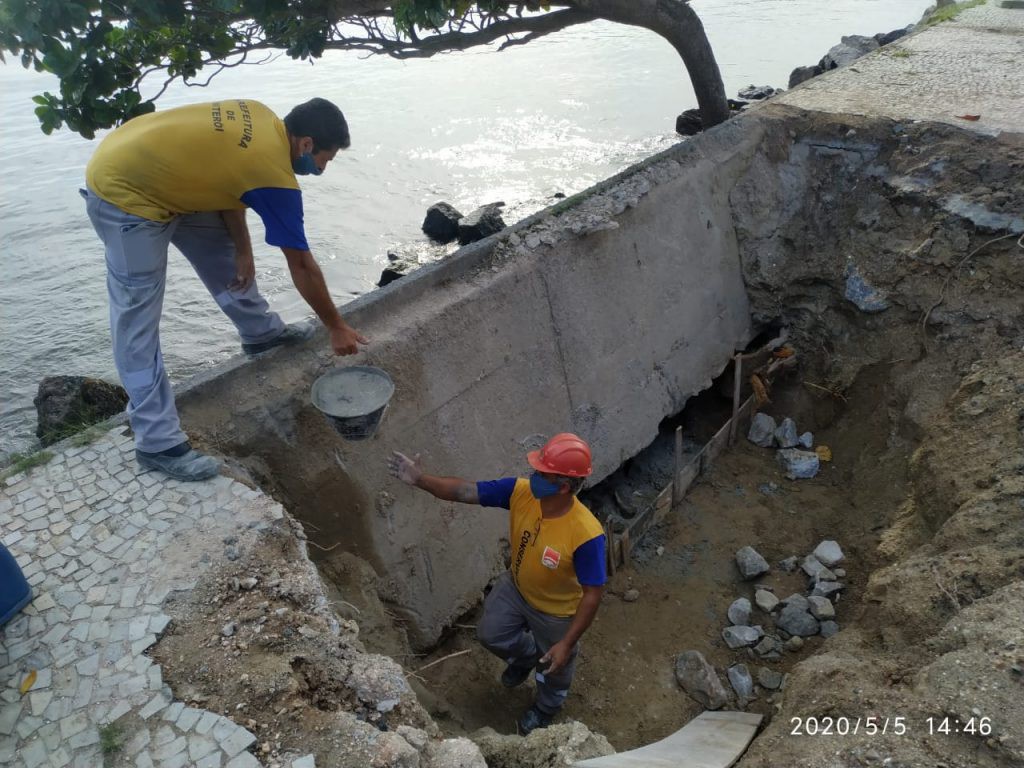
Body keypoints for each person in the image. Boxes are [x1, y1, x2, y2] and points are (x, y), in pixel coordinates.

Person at [82, 97, 367, 481]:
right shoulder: (275, 176)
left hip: (161, 172)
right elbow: (301, 264)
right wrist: (336, 325)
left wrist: (245, 250)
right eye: (325, 160)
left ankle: (261, 333)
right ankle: (157, 442)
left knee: (225, 258)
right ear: (306, 144)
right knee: (136, 318)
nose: (321, 169)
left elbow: (227, 181)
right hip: (125, 193)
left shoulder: (263, 118)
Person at [388, 433, 606, 734]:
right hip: (516, 589)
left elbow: (593, 594)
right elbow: (466, 491)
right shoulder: (521, 492)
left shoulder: (585, 534)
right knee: (491, 634)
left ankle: (546, 707)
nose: (533, 477)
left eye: (541, 473)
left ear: (564, 486)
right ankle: (527, 657)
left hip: (556, 613)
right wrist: (420, 479)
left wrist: (566, 643)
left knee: (555, 667)